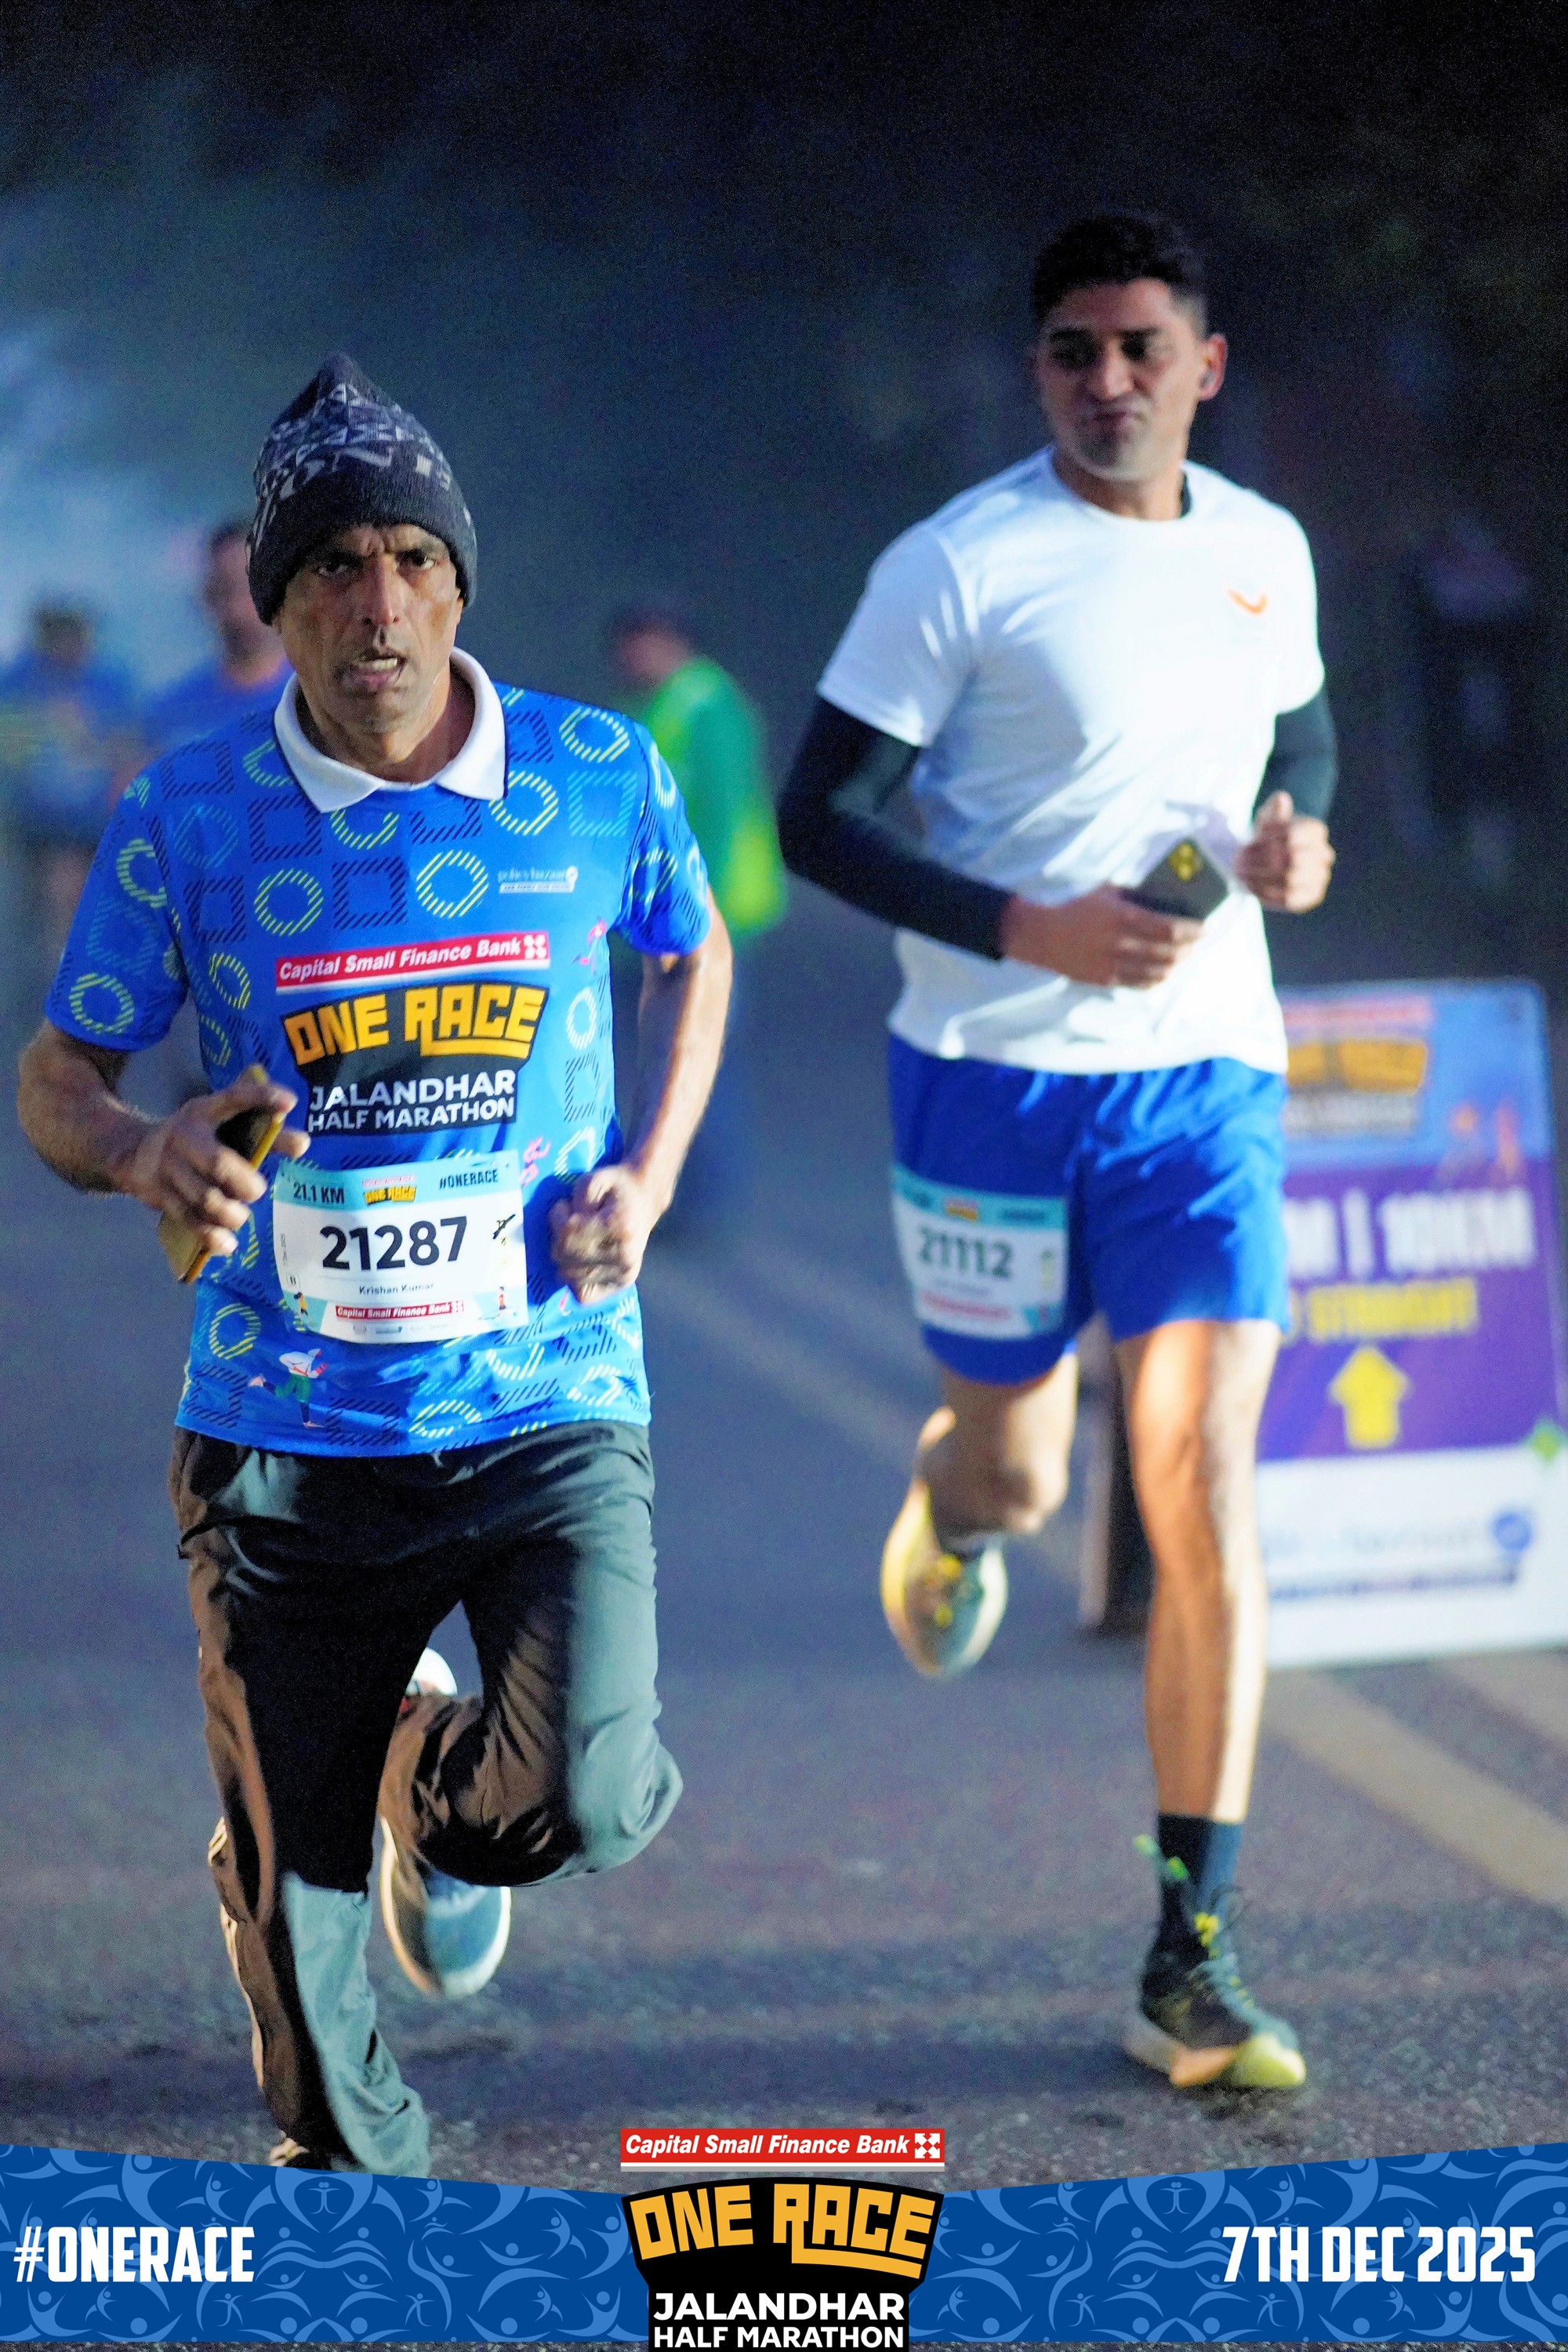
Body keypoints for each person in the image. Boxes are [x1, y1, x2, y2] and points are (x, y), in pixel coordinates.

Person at [18, 353, 731, 2175]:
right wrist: (144, 1149)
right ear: (278, 602)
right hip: (284, 1426)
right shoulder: (189, 812)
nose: (379, 603)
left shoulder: (592, 773)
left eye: (413, 558)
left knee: (590, 1795)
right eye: (332, 565)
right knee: (328, 2083)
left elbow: (691, 946)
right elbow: (58, 1076)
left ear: (459, 583)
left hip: (545, 1392)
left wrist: (648, 1172)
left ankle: (418, 1786)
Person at [778, 213, 1337, 2095]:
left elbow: (1302, 753)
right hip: (989, 1080)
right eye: (1071, 351)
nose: (1106, 381)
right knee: (1022, 1470)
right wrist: (1025, 929)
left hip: (1201, 1081)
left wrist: (1295, 842)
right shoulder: (954, 566)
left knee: (1197, 1481)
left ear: (1204, 366)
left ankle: (1191, 1958)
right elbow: (816, 819)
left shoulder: (1263, 550)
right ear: (1036, 370)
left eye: (1138, 347)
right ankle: (950, 1509)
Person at [609, 605, 786, 1225]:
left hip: (709, 917)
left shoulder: (708, 708)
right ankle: (677, 1194)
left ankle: (696, 1201)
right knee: (665, 1050)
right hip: (671, 915)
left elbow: (724, 817)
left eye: (640, 643)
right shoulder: (661, 702)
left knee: (694, 1048)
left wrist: (695, 917)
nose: (631, 658)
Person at [0, 604, 141, 967]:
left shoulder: (110, 685)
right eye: (57, 632)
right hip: (34, 834)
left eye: (73, 632)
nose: (66, 642)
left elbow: (130, 751)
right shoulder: (18, 683)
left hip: (95, 831)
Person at [147, 520, 292, 752]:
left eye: (250, 590)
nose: (238, 611)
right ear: (206, 599)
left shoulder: (319, 701)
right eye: (224, 591)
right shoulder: (171, 716)